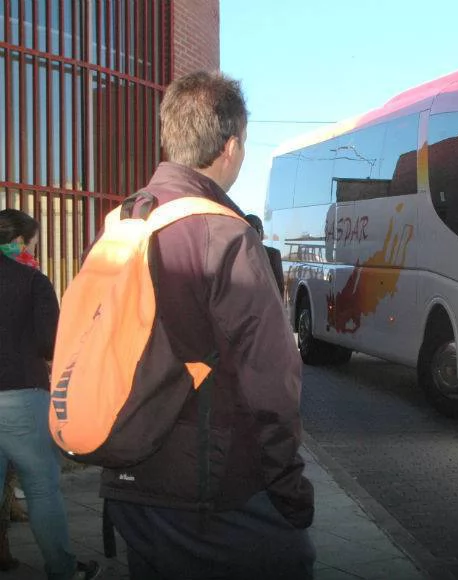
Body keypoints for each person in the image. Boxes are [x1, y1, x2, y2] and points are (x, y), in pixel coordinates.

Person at [97, 71, 315, 579]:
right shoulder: (224, 234)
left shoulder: (123, 222)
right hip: (212, 493)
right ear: (232, 146)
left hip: (129, 479)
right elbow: (272, 384)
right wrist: (289, 490)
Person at [0, 209, 102, 579]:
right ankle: (63, 570)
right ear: (21, 242)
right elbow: (50, 343)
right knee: (41, 487)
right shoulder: (32, 281)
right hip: (21, 397)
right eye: (34, 243)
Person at [245, 214, 285, 298]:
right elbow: (279, 287)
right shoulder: (273, 255)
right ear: (259, 231)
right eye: (262, 228)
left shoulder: (235, 255)